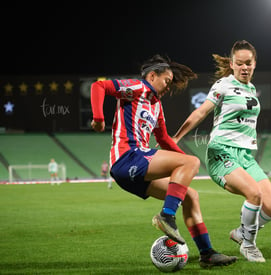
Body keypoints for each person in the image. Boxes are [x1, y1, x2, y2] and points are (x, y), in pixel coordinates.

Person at [90, 54, 237, 268]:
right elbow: (99, 87)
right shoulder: (137, 87)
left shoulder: (156, 106)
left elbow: (164, 139)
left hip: (136, 165)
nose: (168, 87)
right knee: (190, 163)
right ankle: (166, 216)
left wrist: (184, 158)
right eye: (166, 81)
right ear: (152, 75)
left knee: (190, 196)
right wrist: (98, 117)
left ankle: (207, 253)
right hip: (127, 156)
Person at [172, 40, 271, 262]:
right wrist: (176, 138)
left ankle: (241, 232)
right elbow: (201, 112)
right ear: (232, 64)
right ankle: (248, 244)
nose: (244, 68)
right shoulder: (223, 85)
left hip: (245, 156)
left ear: (254, 64)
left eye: (248, 63)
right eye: (239, 63)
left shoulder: (250, 89)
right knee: (255, 194)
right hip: (221, 153)